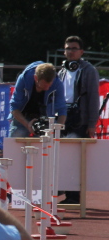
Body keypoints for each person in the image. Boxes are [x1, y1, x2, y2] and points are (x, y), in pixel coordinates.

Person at [57, 35, 100, 204]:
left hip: (80, 120)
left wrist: (92, 124)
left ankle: (74, 197)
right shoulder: (61, 71)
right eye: (67, 48)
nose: (70, 52)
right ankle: (61, 189)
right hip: (62, 119)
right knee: (60, 156)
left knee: (73, 158)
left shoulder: (89, 70)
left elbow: (94, 98)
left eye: (74, 48)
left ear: (81, 51)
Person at [9, 62, 66, 137]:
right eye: (44, 85)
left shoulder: (57, 83)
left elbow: (62, 109)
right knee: (17, 136)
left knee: (49, 140)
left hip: (46, 118)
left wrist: (57, 130)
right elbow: (14, 107)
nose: (47, 88)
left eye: (49, 85)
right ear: (36, 78)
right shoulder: (24, 79)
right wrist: (27, 124)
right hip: (23, 116)